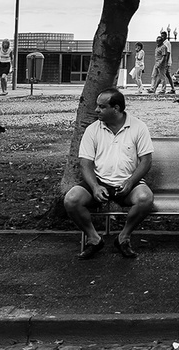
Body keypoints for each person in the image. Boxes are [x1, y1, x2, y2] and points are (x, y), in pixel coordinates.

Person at [63, 88, 154, 259]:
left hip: (127, 182)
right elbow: (85, 164)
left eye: (102, 107)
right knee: (71, 199)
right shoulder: (92, 129)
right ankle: (94, 239)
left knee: (145, 199)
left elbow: (146, 161)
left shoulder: (138, 127)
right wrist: (95, 186)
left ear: (117, 109)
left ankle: (123, 237)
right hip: (100, 181)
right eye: (97, 106)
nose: (96, 110)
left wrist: (130, 182)